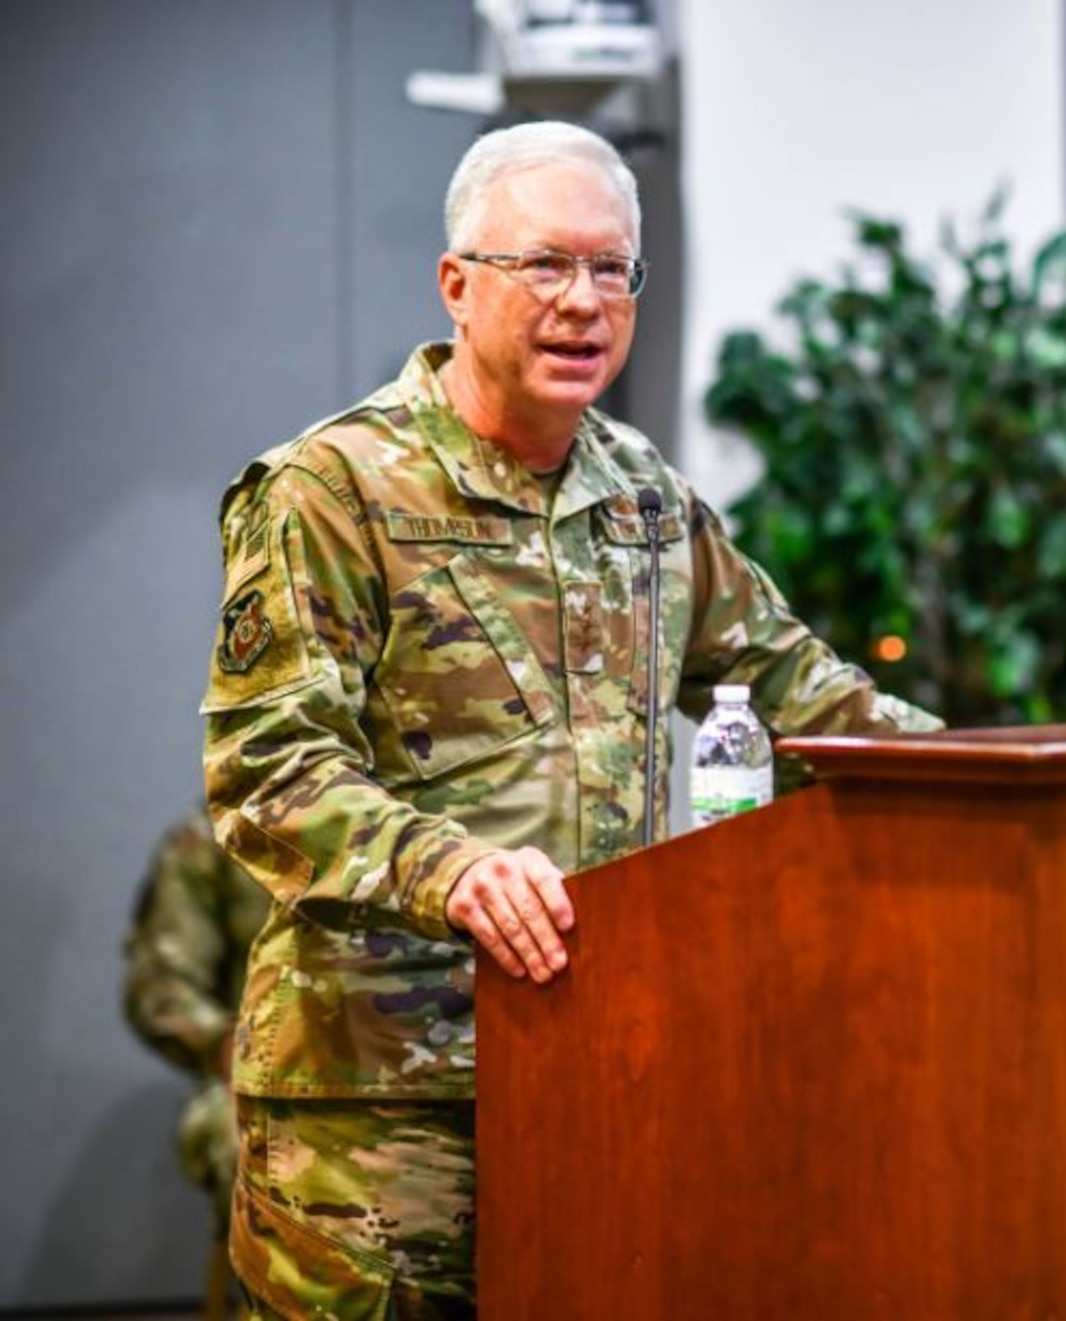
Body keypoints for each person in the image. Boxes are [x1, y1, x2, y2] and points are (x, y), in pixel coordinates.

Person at [200, 120, 940, 1318]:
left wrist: (991, 780)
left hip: (605, 1065)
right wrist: (454, 871)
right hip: (387, 1112)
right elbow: (266, 768)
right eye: (544, 264)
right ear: (456, 284)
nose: (583, 302)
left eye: (612, 270)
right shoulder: (331, 491)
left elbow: (806, 691)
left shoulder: (644, 497)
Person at [122, 806, 272, 1314]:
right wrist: (231, 1050)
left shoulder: (453, 817)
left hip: (440, 1069)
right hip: (261, 1078)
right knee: (263, 1151)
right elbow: (161, 987)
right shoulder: (216, 836)